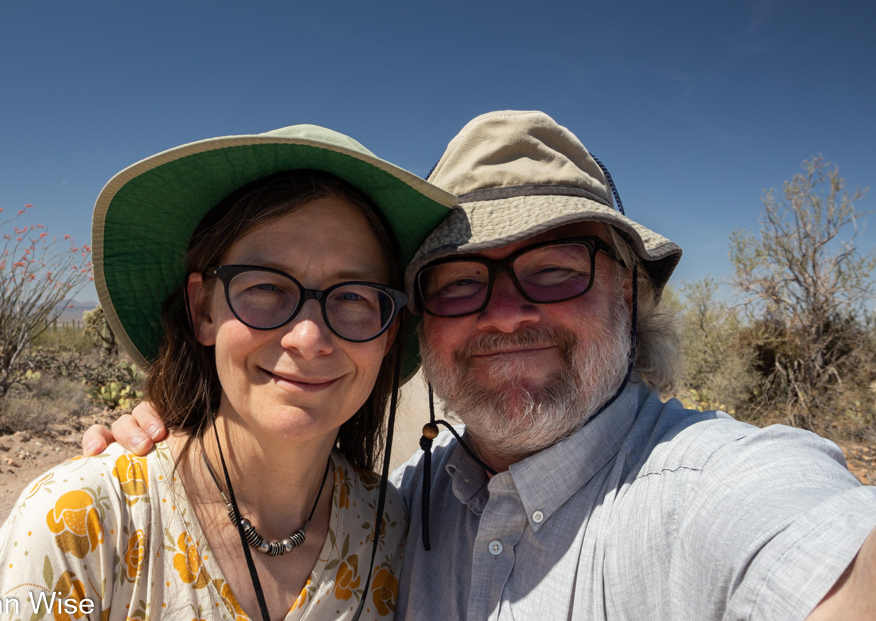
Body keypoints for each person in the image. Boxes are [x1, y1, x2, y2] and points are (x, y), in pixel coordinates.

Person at [83, 111, 876, 620]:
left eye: (557, 268)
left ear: (629, 295)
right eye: (461, 282)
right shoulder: (401, 512)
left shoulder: (716, 489)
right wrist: (165, 457)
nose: (504, 312)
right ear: (421, 323)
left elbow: (818, 546)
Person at [0, 124, 456, 621]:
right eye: (265, 288)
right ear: (203, 310)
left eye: (352, 297)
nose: (308, 338)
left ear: (388, 333)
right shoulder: (84, 524)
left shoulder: (389, 531)